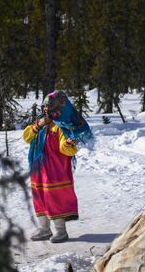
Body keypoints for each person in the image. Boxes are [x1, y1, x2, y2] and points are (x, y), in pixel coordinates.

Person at [23, 90, 93, 243]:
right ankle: (44, 229)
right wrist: (38, 125)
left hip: (55, 171)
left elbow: (66, 149)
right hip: (38, 168)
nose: (46, 112)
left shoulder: (62, 126)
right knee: (39, 196)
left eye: (50, 110)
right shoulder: (41, 123)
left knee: (54, 197)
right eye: (45, 109)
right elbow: (27, 137)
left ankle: (61, 231)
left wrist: (68, 144)